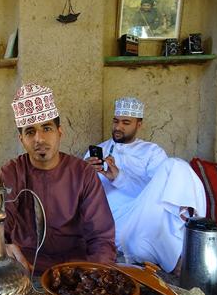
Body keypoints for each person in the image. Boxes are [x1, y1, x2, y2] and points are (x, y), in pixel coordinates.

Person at [1, 83, 116, 274]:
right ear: (21, 139)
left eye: (47, 128)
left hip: (74, 269)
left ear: (59, 132)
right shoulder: (11, 172)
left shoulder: (82, 173)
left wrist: (96, 275)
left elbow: (101, 236)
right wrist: (0, 246)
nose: (39, 138)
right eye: (30, 132)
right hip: (26, 268)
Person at [84, 97, 206, 273]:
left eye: (126, 122)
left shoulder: (152, 152)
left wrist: (118, 177)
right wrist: (84, 173)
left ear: (139, 124)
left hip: (145, 216)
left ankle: (195, 230)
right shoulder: (96, 150)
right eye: (116, 121)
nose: (118, 127)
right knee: (140, 243)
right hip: (113, 221)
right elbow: (81, 197)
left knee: (176, 165)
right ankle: (169, 254)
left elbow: (158, 193)